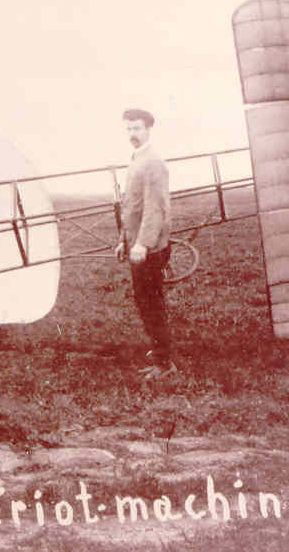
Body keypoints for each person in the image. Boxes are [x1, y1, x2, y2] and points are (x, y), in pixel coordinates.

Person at [113, 109, 176, 378]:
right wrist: (124, 241)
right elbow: (132, 206)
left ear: (149, 129)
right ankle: (161, 354)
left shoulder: (153, 162)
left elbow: (155, 208)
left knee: (151, 303)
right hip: (138, 244)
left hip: (150, 248)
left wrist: (143, 244)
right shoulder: (137, 159)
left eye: (137, 128)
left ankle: (165, 364)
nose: (132, 134)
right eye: (128, 129)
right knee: (145, 301)